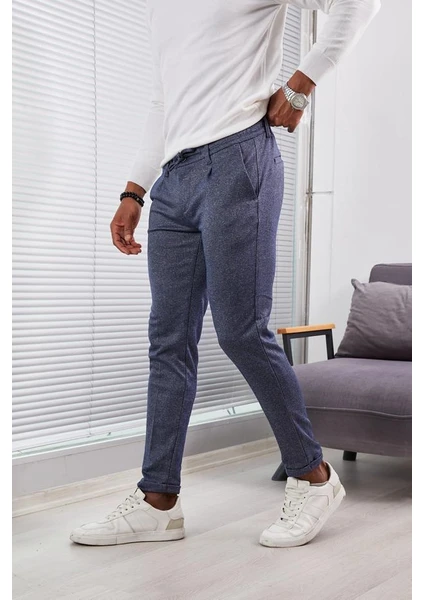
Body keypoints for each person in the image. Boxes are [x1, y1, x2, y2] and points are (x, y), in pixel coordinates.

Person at [70, 0, 381, 548]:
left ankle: (314, 477)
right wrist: (134, 190)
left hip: (238, 159)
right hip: (174, 181)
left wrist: (302, 83)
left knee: (241, 331)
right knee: (169, 340)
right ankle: (157, 501)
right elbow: (164, 100)